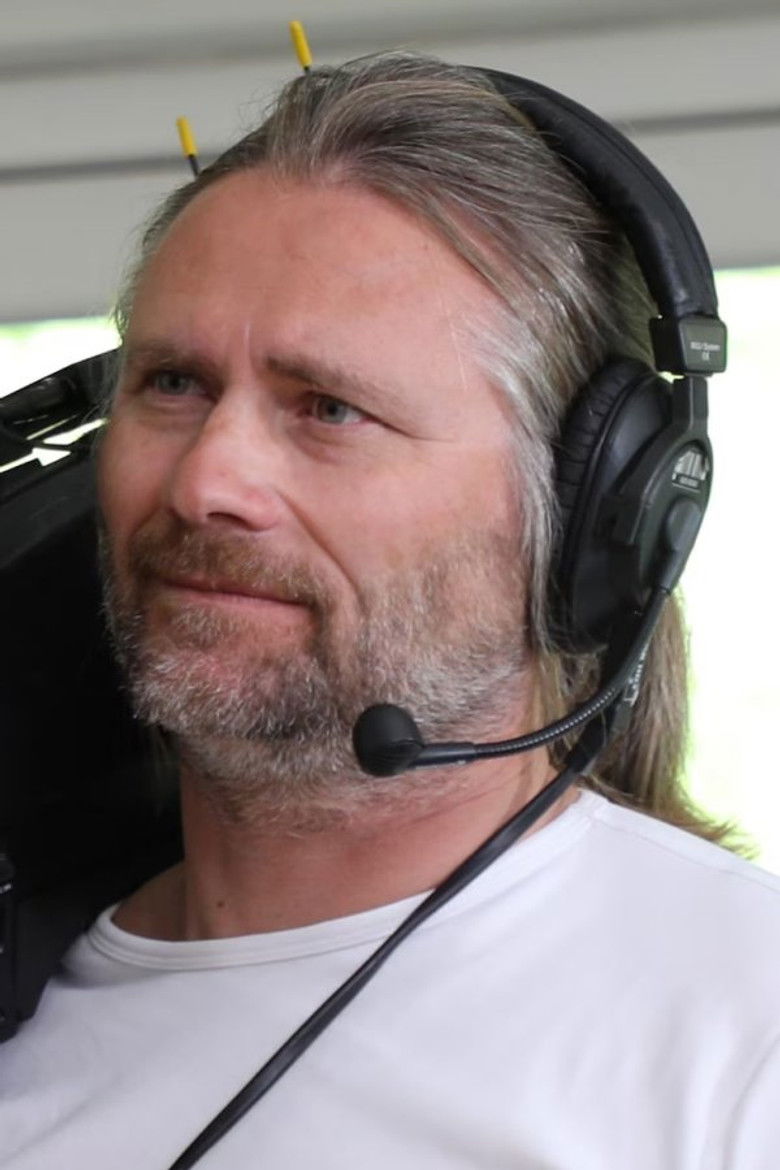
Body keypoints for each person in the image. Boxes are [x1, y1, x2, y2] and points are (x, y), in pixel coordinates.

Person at [3, 52, 779, 1169]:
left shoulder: (742, 1043)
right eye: (174, 384)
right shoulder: (28, 1030)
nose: (207, 481)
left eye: (329, 407)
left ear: (583, 512)